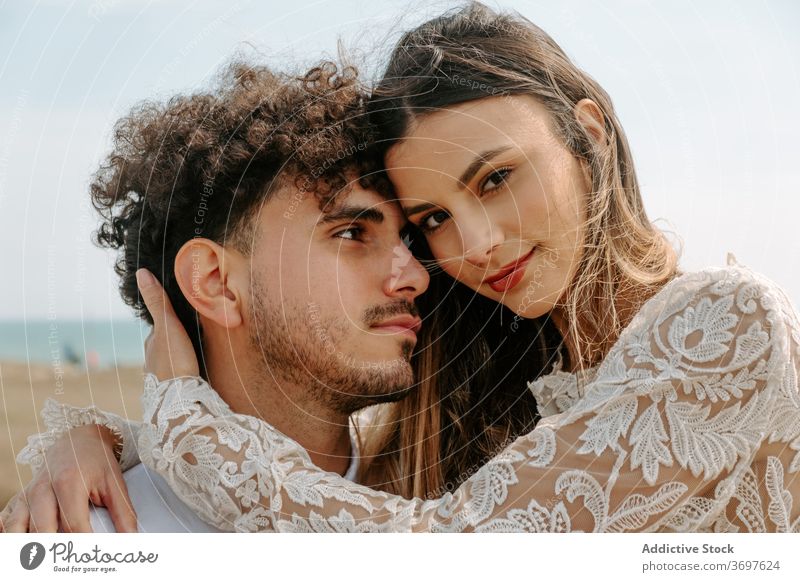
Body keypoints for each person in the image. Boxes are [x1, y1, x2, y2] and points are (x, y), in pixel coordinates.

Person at [6, 2, 800, 533]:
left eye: (497, 177)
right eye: (435, 221)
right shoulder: (497, 411)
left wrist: (183, 420)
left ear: (588, 133)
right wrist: (99, 436)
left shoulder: (729, 321)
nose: (473, 245)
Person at [0, 60, 431, 532]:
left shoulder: (440, 479)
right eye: (351, 233)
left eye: (407, 240)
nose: (414, 276)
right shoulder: (94, 542)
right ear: (215, 283)